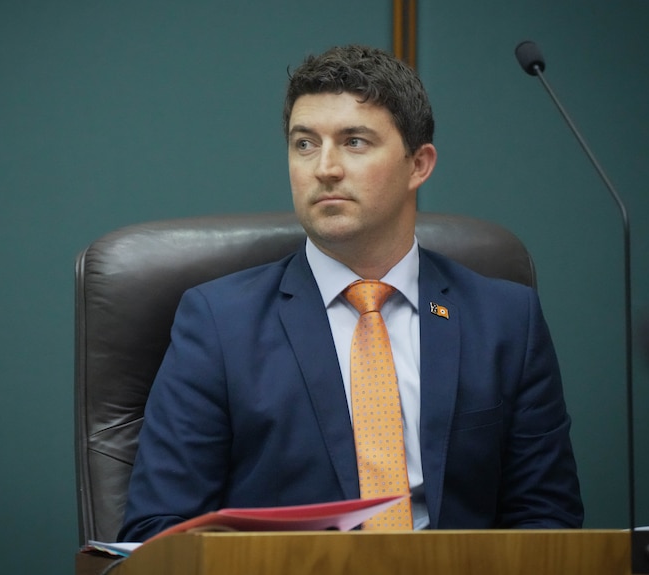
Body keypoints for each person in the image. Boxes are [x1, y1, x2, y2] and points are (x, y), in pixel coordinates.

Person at [118, 44, 583, 542]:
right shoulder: (218, 322)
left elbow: (547, 521)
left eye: (354, 142)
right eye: (304, 144)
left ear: (418, 164)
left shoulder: (506, 319)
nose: (325, 168)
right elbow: (158, 530)